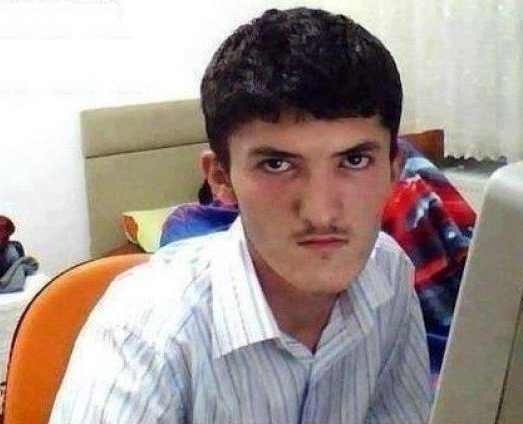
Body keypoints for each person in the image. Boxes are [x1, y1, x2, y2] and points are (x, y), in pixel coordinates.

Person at [49, 7, 432, 424]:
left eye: (354, 160)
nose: (321, 212)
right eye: (277, 165)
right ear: (221, 179)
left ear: (394, 170)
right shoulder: (144, 337)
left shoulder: (388, 274)